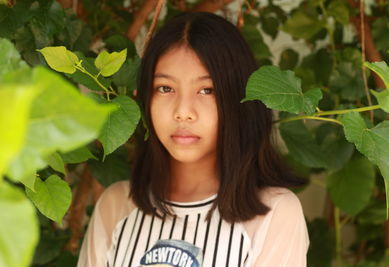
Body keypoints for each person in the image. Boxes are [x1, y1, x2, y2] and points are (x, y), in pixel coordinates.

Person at [77, 12, 309, 267]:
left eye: (206, 90)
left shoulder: (274, 213)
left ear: (237, 99)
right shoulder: (117, 205)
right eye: (165, 88)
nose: (183, 111)